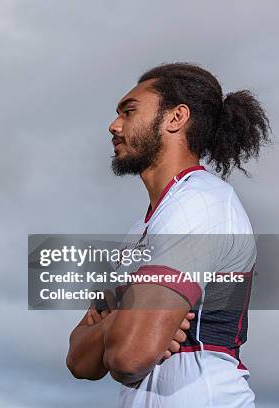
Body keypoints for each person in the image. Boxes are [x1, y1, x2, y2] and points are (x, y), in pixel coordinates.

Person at [66, 63, 270, 407]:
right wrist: (123, 321)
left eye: (129, 112)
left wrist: (126, 327)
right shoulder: (141, 229)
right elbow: (79, 361)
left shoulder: (200, 203)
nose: (114, 126)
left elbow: (129, 355)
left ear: (176, 118)